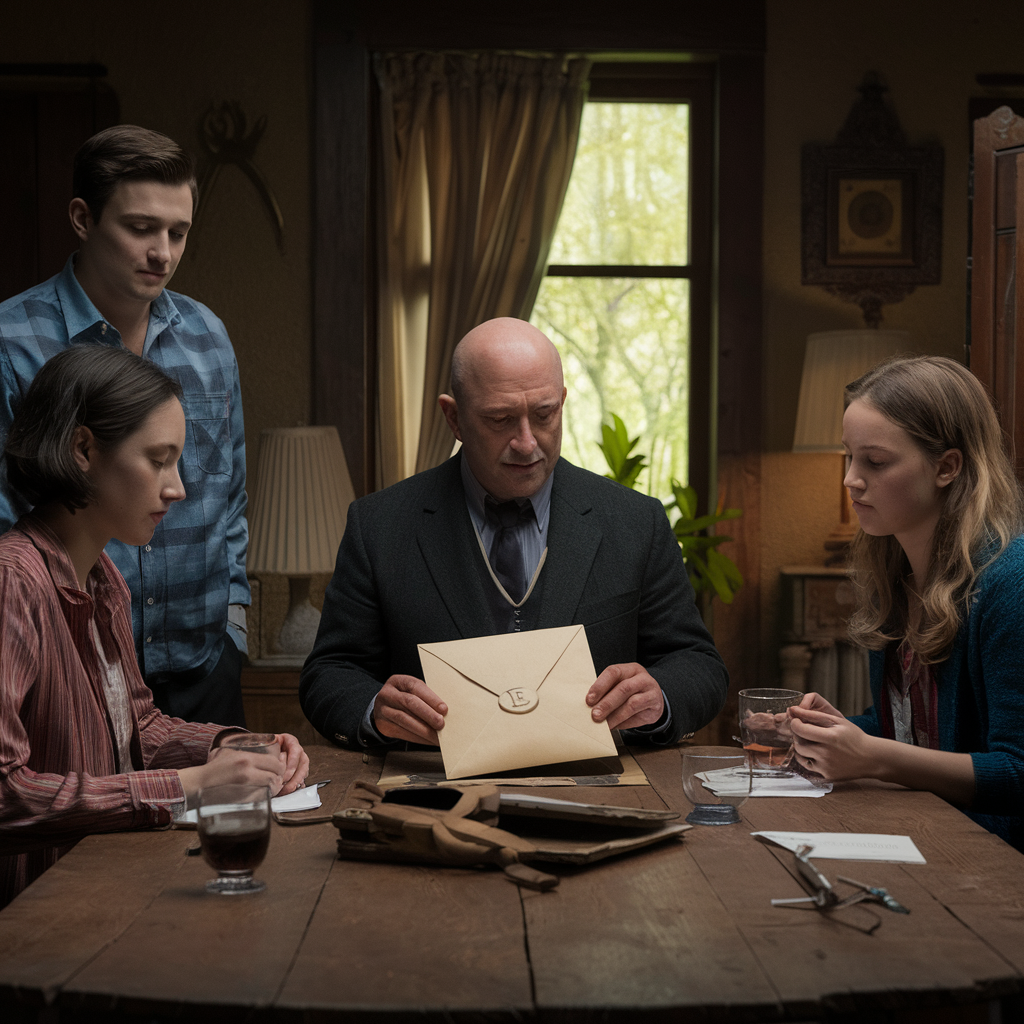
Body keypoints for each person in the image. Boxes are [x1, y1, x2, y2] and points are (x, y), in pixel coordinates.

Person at [300, 317, 728, 750]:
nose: (527, 442)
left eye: (544, 414)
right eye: (500, 419)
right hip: (435, 796)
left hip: (601, 797)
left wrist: (660, 697)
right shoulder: (378, 526)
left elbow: (698, 664)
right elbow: (331, 672)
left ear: (562, 401)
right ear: (454, 417)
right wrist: (374, 709)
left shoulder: (637, 521)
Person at [0, 346, 308, 907]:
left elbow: (137, 726)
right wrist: (191, 785)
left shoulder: (104, 577)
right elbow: (5, 793)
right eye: (159, 460)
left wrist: (234, 746)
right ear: (83, 450)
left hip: (101, 888)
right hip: (33, 918)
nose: (178, 488)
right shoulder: (13, 581)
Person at [0, 125, 250, 726]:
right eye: (140, 228)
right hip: (65, 672)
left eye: (178, 232)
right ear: (83, 219)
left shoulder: (207, 337)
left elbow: (227, 492)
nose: (162, 252)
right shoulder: (11, 343)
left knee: (229, 813)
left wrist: (234, 629)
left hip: (202, 665)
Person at [788, 355, 1024, 851]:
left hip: (996, 868)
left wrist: (872, 756)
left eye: (875, 461)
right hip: (926, 841)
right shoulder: (895, 575)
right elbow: (913, 734)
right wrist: (829, 731)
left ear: (947, 466)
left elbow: (1017, 771)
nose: (851, 479)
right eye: (848, 457)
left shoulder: (1010, 583)